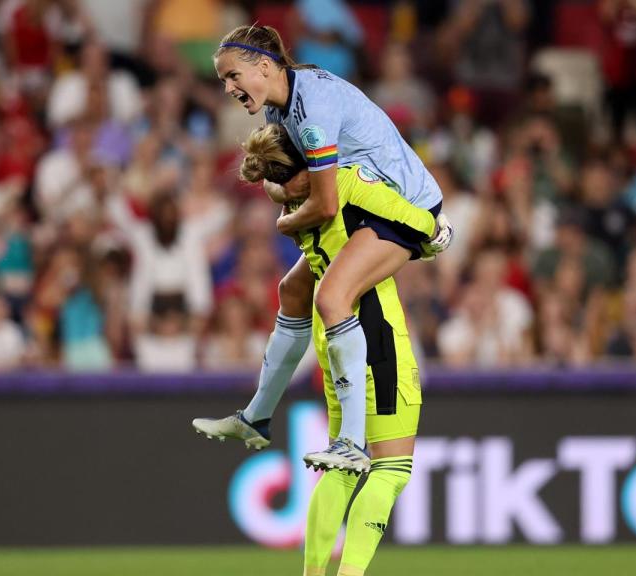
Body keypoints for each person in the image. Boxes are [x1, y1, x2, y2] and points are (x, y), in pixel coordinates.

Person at [194, 25, 452, 474]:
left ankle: (352, 443)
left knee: (332, 298)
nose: (228, 87)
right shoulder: (281, 111)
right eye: (223, 80)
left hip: (403, 208)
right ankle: (256, 417)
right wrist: (286, 198)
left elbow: (322, 201)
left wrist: (285, 221)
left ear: (265, 65)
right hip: (367, 206)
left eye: (233, 75)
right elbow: (294, 185)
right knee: (293, 290)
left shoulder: (310, 108)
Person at [209, 124, 422, 576]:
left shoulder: (287, 199)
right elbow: (414, 219)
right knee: (391, 468)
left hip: (333, 338)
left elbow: (293, 279)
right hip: (372, 328)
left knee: (343, 467)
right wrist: (437, 230)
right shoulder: (342, 183)